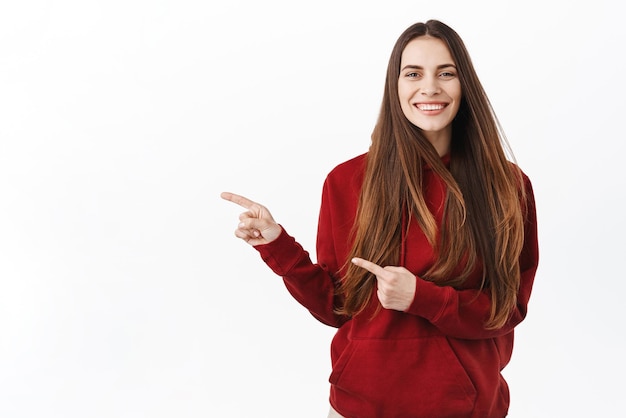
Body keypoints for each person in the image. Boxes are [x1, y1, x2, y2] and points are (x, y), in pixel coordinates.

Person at [221, 19, 539, 418]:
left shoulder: (506, 184)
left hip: (465, 407)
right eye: (413, 74)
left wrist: (421, 298)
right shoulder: (346, 181)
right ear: (396, 86)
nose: (430, 88)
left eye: (446, 73)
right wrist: (277, 245)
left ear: (465, 86)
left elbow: (506, 309)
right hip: (359, 405)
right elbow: (337, 307)